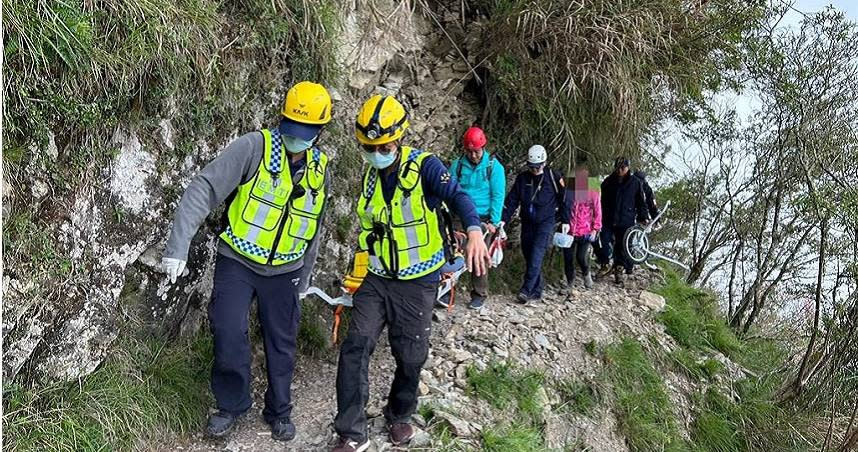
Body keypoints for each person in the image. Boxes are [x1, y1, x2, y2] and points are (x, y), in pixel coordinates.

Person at [160, 81, 334, 441]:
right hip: (237, 260)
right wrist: (178, 245)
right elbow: (204, 188)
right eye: (291, 128)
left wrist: (304, 279)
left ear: (320, 131)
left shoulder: (321, 169)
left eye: (305, 132)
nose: (296, 137)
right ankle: (231, 405)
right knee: (227, 330)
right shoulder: (254, 147)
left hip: (286, 269)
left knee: (282, 342)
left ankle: (280, 410)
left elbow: (313, 227)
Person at [332, 95, 489, 452]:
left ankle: (400, 414)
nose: (375, 152)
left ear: (398, 138)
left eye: (381, 145)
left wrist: (475, 229)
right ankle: (351, 431)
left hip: (418, 279)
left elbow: (458, 196)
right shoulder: (369, 178)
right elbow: (370, 230)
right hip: (376, 277)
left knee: (411, 353)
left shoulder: (426, 167)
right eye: (367, 146)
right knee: (356, 346)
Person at [500, 145, 569, 305]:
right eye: (532, 167)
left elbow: (564, 200)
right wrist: (503, 219)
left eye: (537, 167)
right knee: (528, 253)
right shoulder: (523, 178)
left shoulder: (554, 177)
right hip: (527, 222)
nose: (534, 170)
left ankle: (526, 290)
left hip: (546, 223)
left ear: (544, 164)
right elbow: (512, 200)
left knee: (537, 254)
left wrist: (565, 221)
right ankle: (537, 290)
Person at [448, 126, 506, 309]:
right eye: (470, 151)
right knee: (450, 251)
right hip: (460, 214)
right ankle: (446, 290)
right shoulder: (457, 166)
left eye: (477, 151)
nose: (473, 155)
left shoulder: (493, 168)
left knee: (479, 255)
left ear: (484, 148)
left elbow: (498, 195)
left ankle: (479, 293)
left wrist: (494, 222)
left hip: (483, 217)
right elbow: (449, 189)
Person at [599, 157, 648, 285]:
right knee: (603, 239)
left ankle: (619, 270)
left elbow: (641, 202)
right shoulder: (608, 182)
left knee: (622, 245)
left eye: (623, 168)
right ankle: (604, 263)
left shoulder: (635, 183)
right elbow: (599, 200)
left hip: (626, 219)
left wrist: (643, 217)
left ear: (628, 167)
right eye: (618, 167)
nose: (620, 170)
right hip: (608, 218)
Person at [562, 163, 601, 289]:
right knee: (568, 258)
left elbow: (597, 211)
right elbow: (565, 206)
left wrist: (595, 228)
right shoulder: (569, 190)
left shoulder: (593, 191)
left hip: (585, 231)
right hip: (569, 230)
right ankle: (569, 282)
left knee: (580, 257)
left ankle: (586, 273)